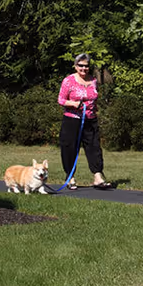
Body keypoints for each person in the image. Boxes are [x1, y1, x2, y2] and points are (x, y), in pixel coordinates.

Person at [57, 53, 113, 190]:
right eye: (81, 65)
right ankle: (70, 177)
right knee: (69, 148)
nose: (84, 68)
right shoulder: (68, 81)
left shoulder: (93, 80)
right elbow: (61, 100)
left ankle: (98, 176)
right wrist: (73, 103)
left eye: (86, 66)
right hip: (72, 119)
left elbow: (94, 98)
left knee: (94, 147)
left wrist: (95, 110)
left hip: (90, 120)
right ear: (76, 66)